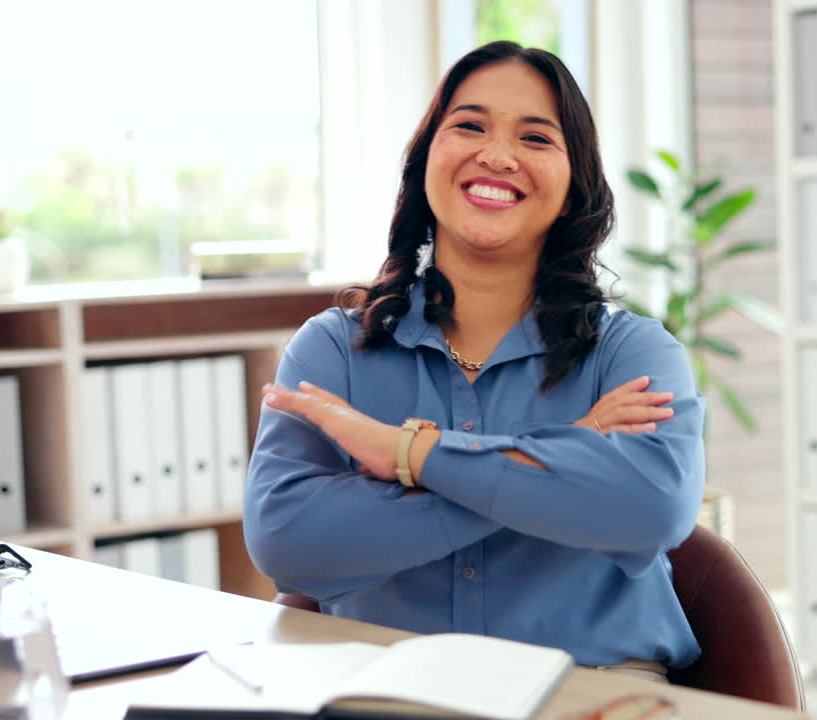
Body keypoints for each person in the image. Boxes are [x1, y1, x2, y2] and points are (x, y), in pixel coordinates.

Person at [245, 40, 705, 682]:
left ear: (575, 186)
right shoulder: (333, 349)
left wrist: (405, 456)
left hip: (593, 690)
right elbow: (289, 546)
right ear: (426, 161)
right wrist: (565, 454)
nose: (497, 155)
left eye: (537, 138)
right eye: (469, 125)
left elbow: (651, 510)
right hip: (384, 687)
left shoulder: (633, 353)